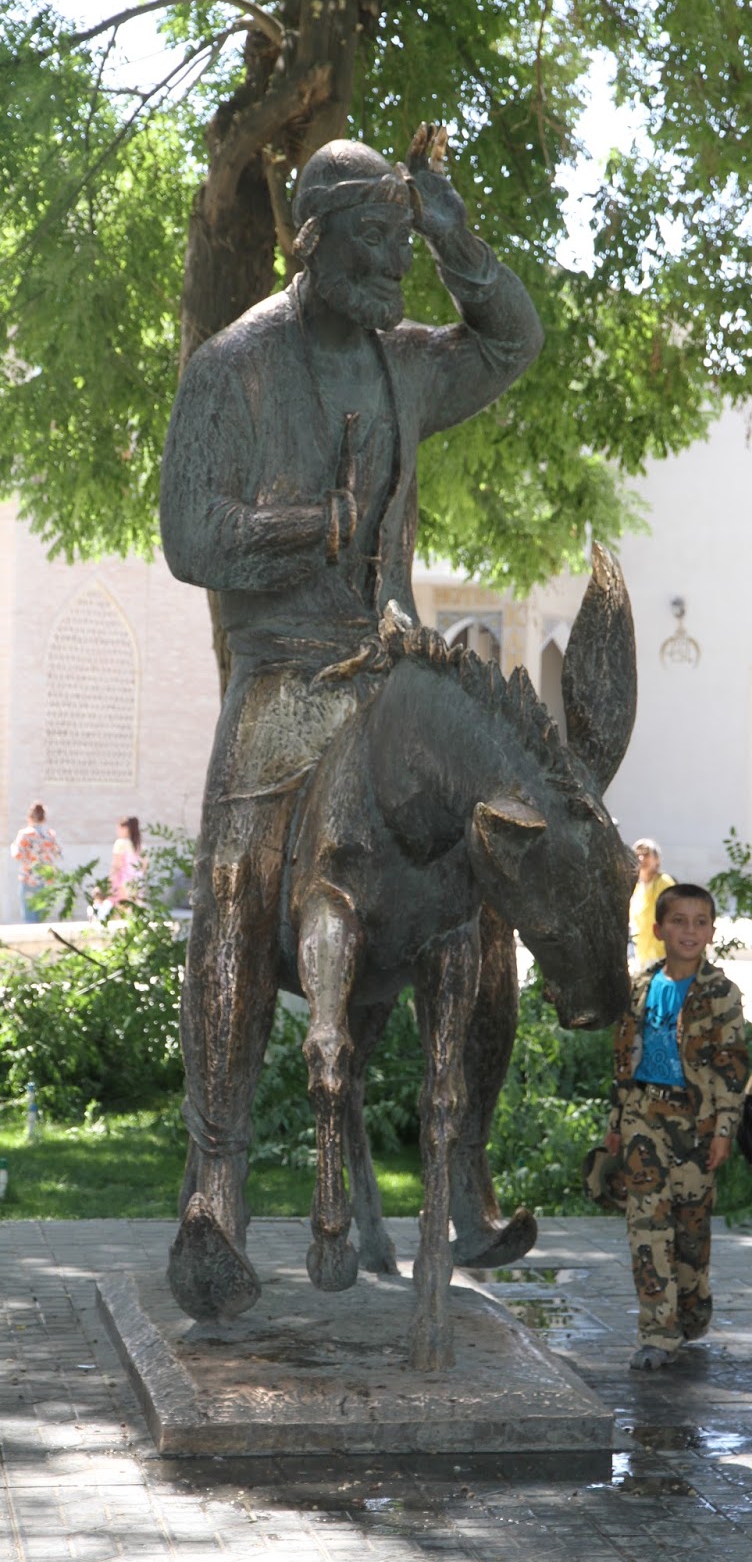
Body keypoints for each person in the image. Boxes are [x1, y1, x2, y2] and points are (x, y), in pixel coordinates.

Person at [159, 125, 543, 1317]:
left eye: (402, 243)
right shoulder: (233, 365)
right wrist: (299, 530)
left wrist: (449, 221)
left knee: (486, 863)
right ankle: (215, 1188)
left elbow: (513, 338)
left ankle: (463, 1170)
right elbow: (187, 536)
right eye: (376, 240)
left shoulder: (406, 361)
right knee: (231, 878)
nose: (396, 267)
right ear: (311, 242)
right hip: (284, 672)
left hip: (390, 668)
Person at [604, 882, 748, 1369]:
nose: (689, 930)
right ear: (658, 928)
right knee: (646, 1226)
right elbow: (623, 1057)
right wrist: (616, 1122)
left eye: (700, 922)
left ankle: (691, 1307)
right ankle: (656, 1332)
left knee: (689, 1233)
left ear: (711, 930)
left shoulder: (722, 993)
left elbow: (732, 1068)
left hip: (696, 1124)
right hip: (645, 1116)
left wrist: (725, 1130)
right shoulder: (643, 986)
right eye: (679, 921)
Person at [628, 838, 675, 971]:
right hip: (641, 954)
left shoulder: (664, 883)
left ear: (657, 859)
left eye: (647, 854)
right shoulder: (636, 887)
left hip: (661, 954)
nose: (642, 858)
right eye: (638, 854)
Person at [10, 803, 61, 922]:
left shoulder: (25, 834)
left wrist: (27, 860)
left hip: (29, 879)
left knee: (29, 918)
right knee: (41, 917)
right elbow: (58, 853)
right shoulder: (50, 834)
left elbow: (16, 854)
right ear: (44, 818)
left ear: (30, 817)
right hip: (46, 880)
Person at [109, 817, 145, 905]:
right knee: (136, 907)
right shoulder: (140, 845)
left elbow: (116, 865)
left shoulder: (120, 843)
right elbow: (144, 865)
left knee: (121, 908)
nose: (117, 831)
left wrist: (111, 879)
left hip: (123, 880)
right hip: (138, 880)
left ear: (126, 829)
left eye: (119, 828)